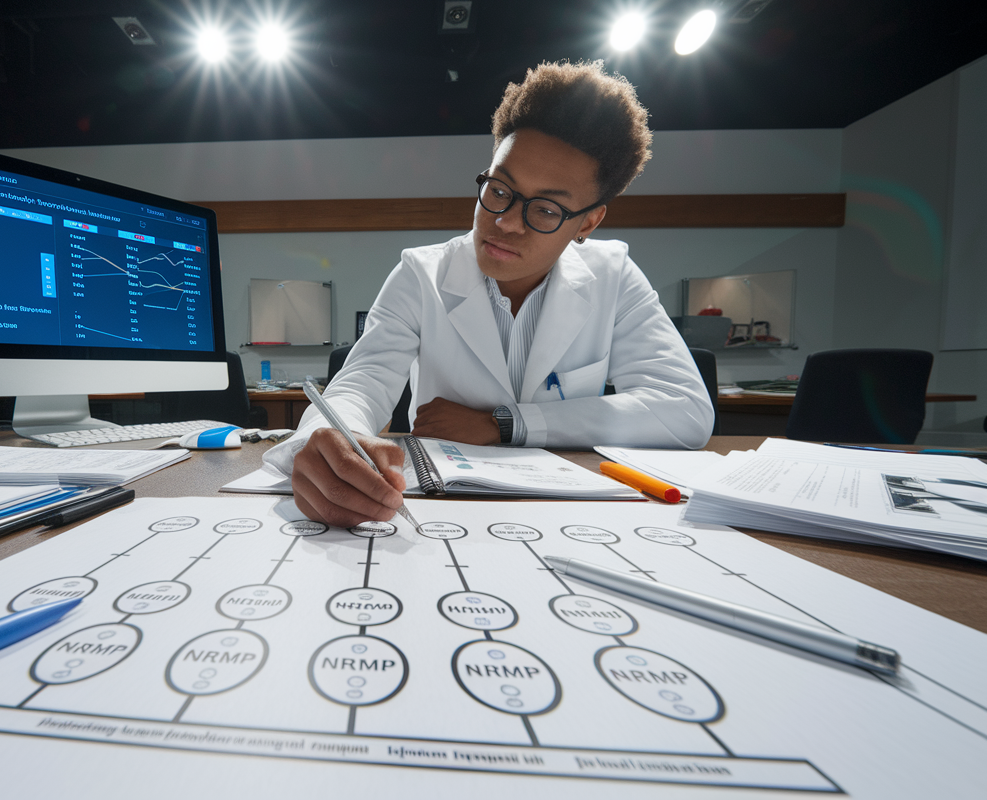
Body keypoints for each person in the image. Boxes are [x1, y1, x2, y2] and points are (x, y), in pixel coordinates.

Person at [264, 61, 714, 527]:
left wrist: (507, 423)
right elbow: (362, 383)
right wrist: (326, 439)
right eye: (500, 190)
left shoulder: (614, 276)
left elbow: (684, 409)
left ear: (588, 222)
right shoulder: (421, 273)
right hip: (445, 508)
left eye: (545, 209)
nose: (506, 222)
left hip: (570, 511)